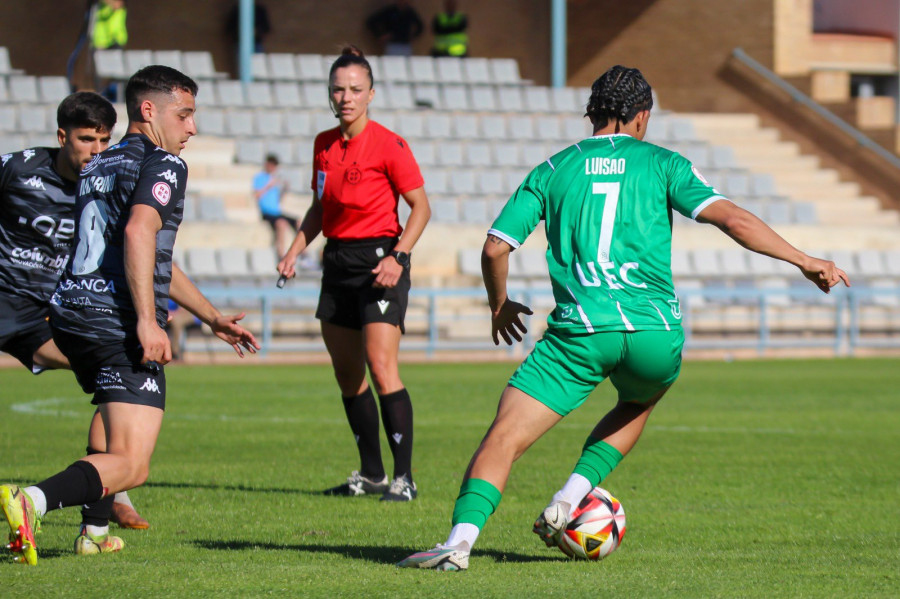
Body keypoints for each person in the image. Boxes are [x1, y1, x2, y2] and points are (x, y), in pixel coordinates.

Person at [398, 65, 850, 571]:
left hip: (580, 334)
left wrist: (499, 304)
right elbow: (735, 221)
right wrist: (807, 260)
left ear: (592, 112)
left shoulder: (551, 169)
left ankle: (458, 544)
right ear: (642, 116)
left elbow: (494, 249)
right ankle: (569, 498)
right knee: (639, 400)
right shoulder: (664, 164)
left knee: (504, 436)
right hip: (654, 331)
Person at [0, 65, 260, 566]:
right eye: (184, 115)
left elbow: (146, 250)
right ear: (148, 110)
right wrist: (148, 320)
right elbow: (142, 233)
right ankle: (30, 501)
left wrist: (210, 316)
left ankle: (94, 530)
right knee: (133, 465)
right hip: (114, 321)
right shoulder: (164, 163)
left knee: (110, 417)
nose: (192, 128)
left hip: (72, 313)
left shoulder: (100, 162)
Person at [277, 46, 431, 502]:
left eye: (355, 89)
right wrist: (294, 249)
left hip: (382, 263)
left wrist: (397, 258)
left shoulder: (390, 144)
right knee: (349, 375)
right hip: (337, 263)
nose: (346, 97)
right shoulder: (323, 144)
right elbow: (319, 209)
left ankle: (404, 479)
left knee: (382, 368)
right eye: (338, 89)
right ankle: (372, 474)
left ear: (371, 94)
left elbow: (421, 208)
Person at [0, 91, 149, 531]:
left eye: (105, 141)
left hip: (45, 317)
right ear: (62, 136)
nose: (97, 151)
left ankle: (105, 500)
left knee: (116, 375)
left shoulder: (108, 188)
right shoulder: (17, 168)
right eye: (87, 140)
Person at [253, 154, 296, 258]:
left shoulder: (274, 179)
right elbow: (257, 195)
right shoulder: (260, 178)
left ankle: (303, 254)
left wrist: (285, 189)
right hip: (267, 212)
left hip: (276, 212)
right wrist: (268, 186)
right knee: (281, 224)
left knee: (298, 222)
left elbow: (278, 200)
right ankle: (282, 255)